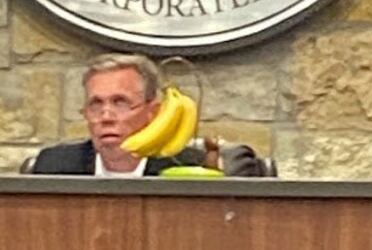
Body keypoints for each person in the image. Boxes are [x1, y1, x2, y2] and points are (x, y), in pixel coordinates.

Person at [32, 53, 269, 177]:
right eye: (95, 104)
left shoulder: (189, 167)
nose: (106, 116)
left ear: (152, 112)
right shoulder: (55, 166)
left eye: (120, 103)